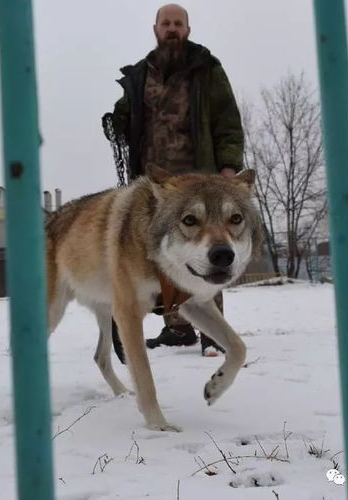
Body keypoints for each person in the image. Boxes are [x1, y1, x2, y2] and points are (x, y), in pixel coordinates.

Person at [108, 3, 244, 356]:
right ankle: (178, 327)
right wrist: (116, 120)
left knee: (208, 250)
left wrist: (229, 168)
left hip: (200, 176)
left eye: (178, 23)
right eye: (166, 23)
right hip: (156, 185)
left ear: (187, 29)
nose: (172, 28)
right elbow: (129, 116)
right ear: (156, 29)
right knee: (166, 252)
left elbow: (227, 120)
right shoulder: (141, 74)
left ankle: (213, 334)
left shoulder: (206, 69)